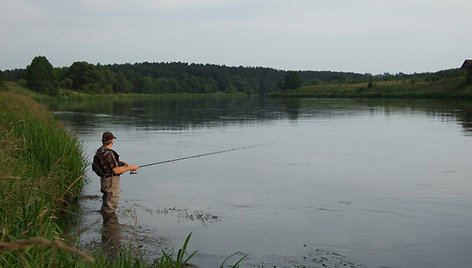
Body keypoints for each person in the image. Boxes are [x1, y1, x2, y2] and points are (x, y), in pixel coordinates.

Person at [96, 131, 139, 214]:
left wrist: (122, 164)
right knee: (110, 205)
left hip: (104, 180)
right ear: (111, 141)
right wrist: (131, 167)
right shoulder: (109, 153)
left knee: (106, 202)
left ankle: (105, 220)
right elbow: (115, 170)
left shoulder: (100, 151)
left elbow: (107, 164)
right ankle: (110, 224)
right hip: (111, 182)